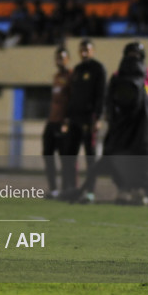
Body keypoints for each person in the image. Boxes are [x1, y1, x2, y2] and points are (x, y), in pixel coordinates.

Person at [85, 43, 148, 206]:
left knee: (144, 158)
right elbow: (109, 98)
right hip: (123, 126)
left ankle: (141, 190)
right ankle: (123, 189)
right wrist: (109, 116)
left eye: (136, 54)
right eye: (130, 54)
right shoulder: (118, 76)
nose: (133, 58)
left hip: (143, 127)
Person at [59, 38, 106, 201]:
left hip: (89, 118)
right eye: (82, 49)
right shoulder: (77, 70)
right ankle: (72, 189)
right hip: (74, 119)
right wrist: (67, 118)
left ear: (92, 50)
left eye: (87, 49)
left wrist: (98, 117)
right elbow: (72, 96)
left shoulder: (98, 69)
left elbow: (101, 95)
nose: (84, 52)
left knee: (90, 157)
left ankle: (90, 192)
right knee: (70, 155)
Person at [42, 46, 71, 199]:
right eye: (58, 57)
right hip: (52, 121)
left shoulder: (71, 76)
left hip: (62, 122)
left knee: (64, 157)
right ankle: (53, 189)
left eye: (63, 57)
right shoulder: (55, 77)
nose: (60, 60)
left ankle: (66, 189)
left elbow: (71, 100)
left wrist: (67, 120)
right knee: (47, 154)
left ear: (68, 59)